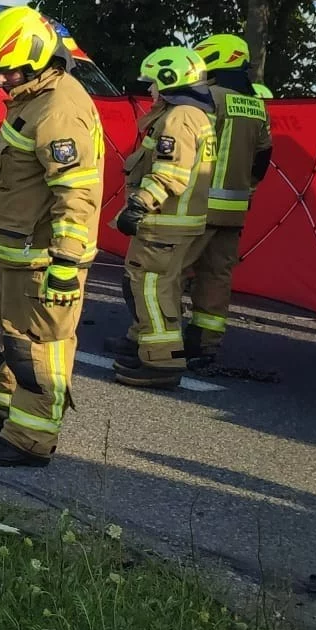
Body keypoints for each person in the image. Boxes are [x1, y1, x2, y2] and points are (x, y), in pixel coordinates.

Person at [0, 6, 104, 469]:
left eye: (9, 72)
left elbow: (76, 193)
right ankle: (3, 414)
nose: (0, 82)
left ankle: (30, 440)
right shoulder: (33, 99)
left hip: (44, 261)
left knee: (35, 349)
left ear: (39, 61)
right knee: (3, 336)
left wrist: (65, 260)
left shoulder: (60, 111)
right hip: (16, 254)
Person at [108, 45, 216, 387]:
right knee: (158, 286)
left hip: (164, 222)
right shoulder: (195, 115)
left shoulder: (180, 116)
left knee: (153, 289)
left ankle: (161, 363)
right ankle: (143, 345)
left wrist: (139, 204)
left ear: (172, 79)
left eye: (154, 82)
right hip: (177, 222)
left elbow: (170, 172)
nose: (150, 89)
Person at [180, 32, 274, 365]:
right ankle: (205, 342)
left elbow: (186, 144)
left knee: (169, 271)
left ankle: (160, 340)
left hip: (198, 204)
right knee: (217, 275)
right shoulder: (255, 105)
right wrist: (247, 187)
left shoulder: (207, 98)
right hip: (235, 208)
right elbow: (263, 156)